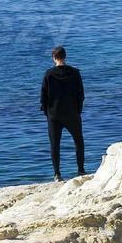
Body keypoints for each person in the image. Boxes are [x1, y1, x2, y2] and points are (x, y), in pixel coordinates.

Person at [40, 45, 86, 181]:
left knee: (55, 145)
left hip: (54, 115)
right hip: (72, 113)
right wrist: (78, 111)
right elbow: (81, 95)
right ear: (65, 57)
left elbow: (43, 96)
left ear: (54, 58)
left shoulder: (48, 74)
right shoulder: (75, 73)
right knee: (78, 142)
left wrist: (47, 113)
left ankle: (57, 174)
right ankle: (81, 170)